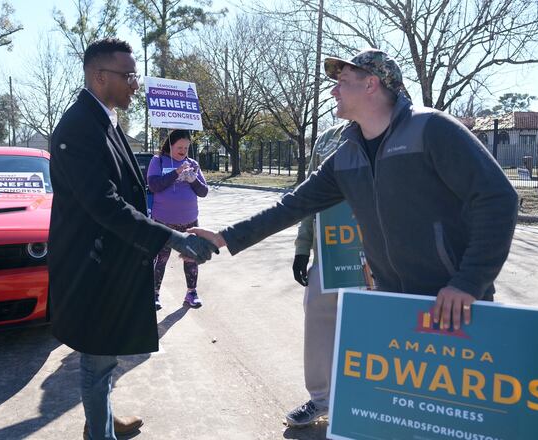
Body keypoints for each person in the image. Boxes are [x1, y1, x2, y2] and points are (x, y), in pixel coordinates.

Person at [190, 48, 518, 423]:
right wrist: (223, 237)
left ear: (371, 84)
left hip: (453, 301)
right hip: (393, 303)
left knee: (458, 418)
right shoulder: (348, 152)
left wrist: (469, 282)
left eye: (343, 82)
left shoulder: (432, 129)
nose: (334, 92)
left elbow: (498, 198)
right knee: (407, 415)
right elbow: (293, 206)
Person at [48, 38, 217, 440]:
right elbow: (103, 204)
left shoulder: (104, 119)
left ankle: (99, 417)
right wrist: (170, 238)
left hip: (111, 257)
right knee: (96, 355)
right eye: (128, 76)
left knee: (106, 350)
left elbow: (129, 188)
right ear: (99, 76)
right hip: (91, 261)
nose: (134, 84)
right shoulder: (77, 127)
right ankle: (99, 431)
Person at [285, 124, 346, 427]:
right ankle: (321, 399)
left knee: (376, 327)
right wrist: (303, 246)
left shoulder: (399, 132)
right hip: (332, 252)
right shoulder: (328, 139)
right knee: (319, 319)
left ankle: (372, 405)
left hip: (382, 255)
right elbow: (311, 194)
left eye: (345, 79)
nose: (336, 92)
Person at [147, 129, 209, 310]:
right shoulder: (157, 161)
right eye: (179, 147)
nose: (183, 151)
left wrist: (193, 179)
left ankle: (192, 293)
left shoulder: (193, 164)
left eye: (186, 147)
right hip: (163, 221)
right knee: (161, 258)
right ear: (170, 145)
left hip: (189, 221)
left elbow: (203, 192)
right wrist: (176, 173)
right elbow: (154, 186)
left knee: (191, 258)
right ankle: (154, 294)